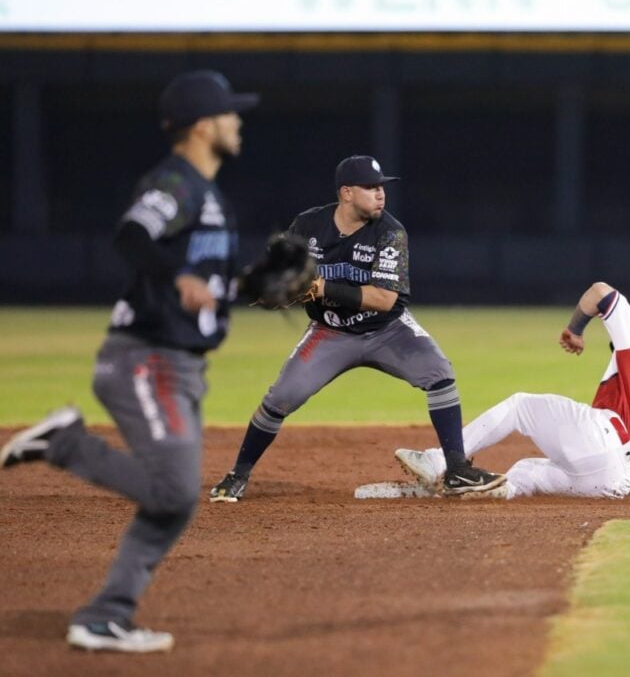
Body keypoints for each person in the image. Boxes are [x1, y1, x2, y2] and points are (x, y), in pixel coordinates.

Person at [0, 70, 258, 652]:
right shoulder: (178, 182)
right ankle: (63, 444)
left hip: (181, 365)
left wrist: (255, 285)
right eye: (229, 112)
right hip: (147, 359)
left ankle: (105, 616)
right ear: (201, 124)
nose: (238, 121)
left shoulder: (211, 196)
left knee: (175, 501)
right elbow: (133, 235)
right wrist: (181, 276)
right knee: (173, 493)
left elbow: (207, 288)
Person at [209, 155, 505, 502]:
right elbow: (276, 269)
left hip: (387, 330)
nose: (381, 194)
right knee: (280, 399)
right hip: (330, 331)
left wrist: (321, 288)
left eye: (382, 188)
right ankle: (238, 474)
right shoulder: (308, 225)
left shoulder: (390, 232)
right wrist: (269, 286)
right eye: (371, 188)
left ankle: (457, 470)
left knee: (439, 372)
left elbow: (382, 298)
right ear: (346, 193)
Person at [395, 282, 630, 499]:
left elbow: (600, 292)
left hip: (603, 436)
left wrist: (576, 329)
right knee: (528, 471)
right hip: (614, 484)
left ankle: (441, 460)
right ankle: (491, 491)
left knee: (520, 406)